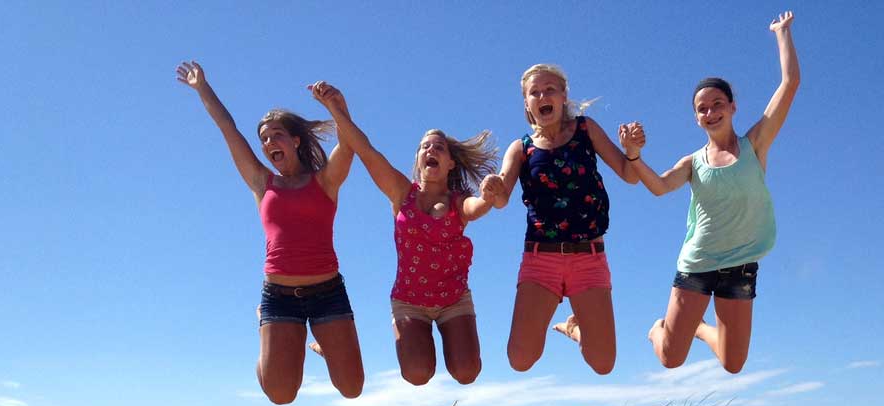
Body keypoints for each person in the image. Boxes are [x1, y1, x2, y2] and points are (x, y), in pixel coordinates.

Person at [621, 11, 799, 373]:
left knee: (734, 364)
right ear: (696, 119)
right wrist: (634, 156)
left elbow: (790, 82)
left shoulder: (755, 144)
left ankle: (699, 329)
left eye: (717, 103)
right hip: (698, 264)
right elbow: (658, 186)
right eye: (702, 109)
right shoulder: (693, 162)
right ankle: (660, 329)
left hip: (740, 265)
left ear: (733, 107)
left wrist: (782, 33)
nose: (710, 112)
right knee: (671, 358)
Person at [177, 62, 364, 403]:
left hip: (328, 292)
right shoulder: (262, 182)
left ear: (294, 140)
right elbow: (227, 127)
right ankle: (266, 328)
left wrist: (338, 107)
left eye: (276, 134)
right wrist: (202, 87)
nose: (268, 143)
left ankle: (321, 342)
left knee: (352, 389)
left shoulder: (325, 180)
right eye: (264, 139)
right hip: (278, 296)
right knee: (281, 395)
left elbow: (349, 145)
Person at [309, 87, 503, 385]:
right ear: (417, 159)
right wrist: (337, 109)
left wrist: (489, 196)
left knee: (467, 373)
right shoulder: (402, 193)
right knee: (417, 374)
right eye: (425, 146)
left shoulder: (457, 201)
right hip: (410, 301)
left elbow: (476, 207)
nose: (431, 150)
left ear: (450, 162)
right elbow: (366, 152)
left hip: (454, 298)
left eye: (439, 147)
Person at [488, 64, 639, 375]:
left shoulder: (586, 130)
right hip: (540, 259)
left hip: (589, 257)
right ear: (527, 104)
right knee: (520, 360)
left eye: (550, 89)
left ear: (563, 96)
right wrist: (493, 188)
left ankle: (574, 328)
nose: (543, 95)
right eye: (535, 92)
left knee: (603, 364)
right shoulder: (522, 148)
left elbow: (628, 174)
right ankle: (560, 318)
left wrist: (633, 151)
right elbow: (501, 196)